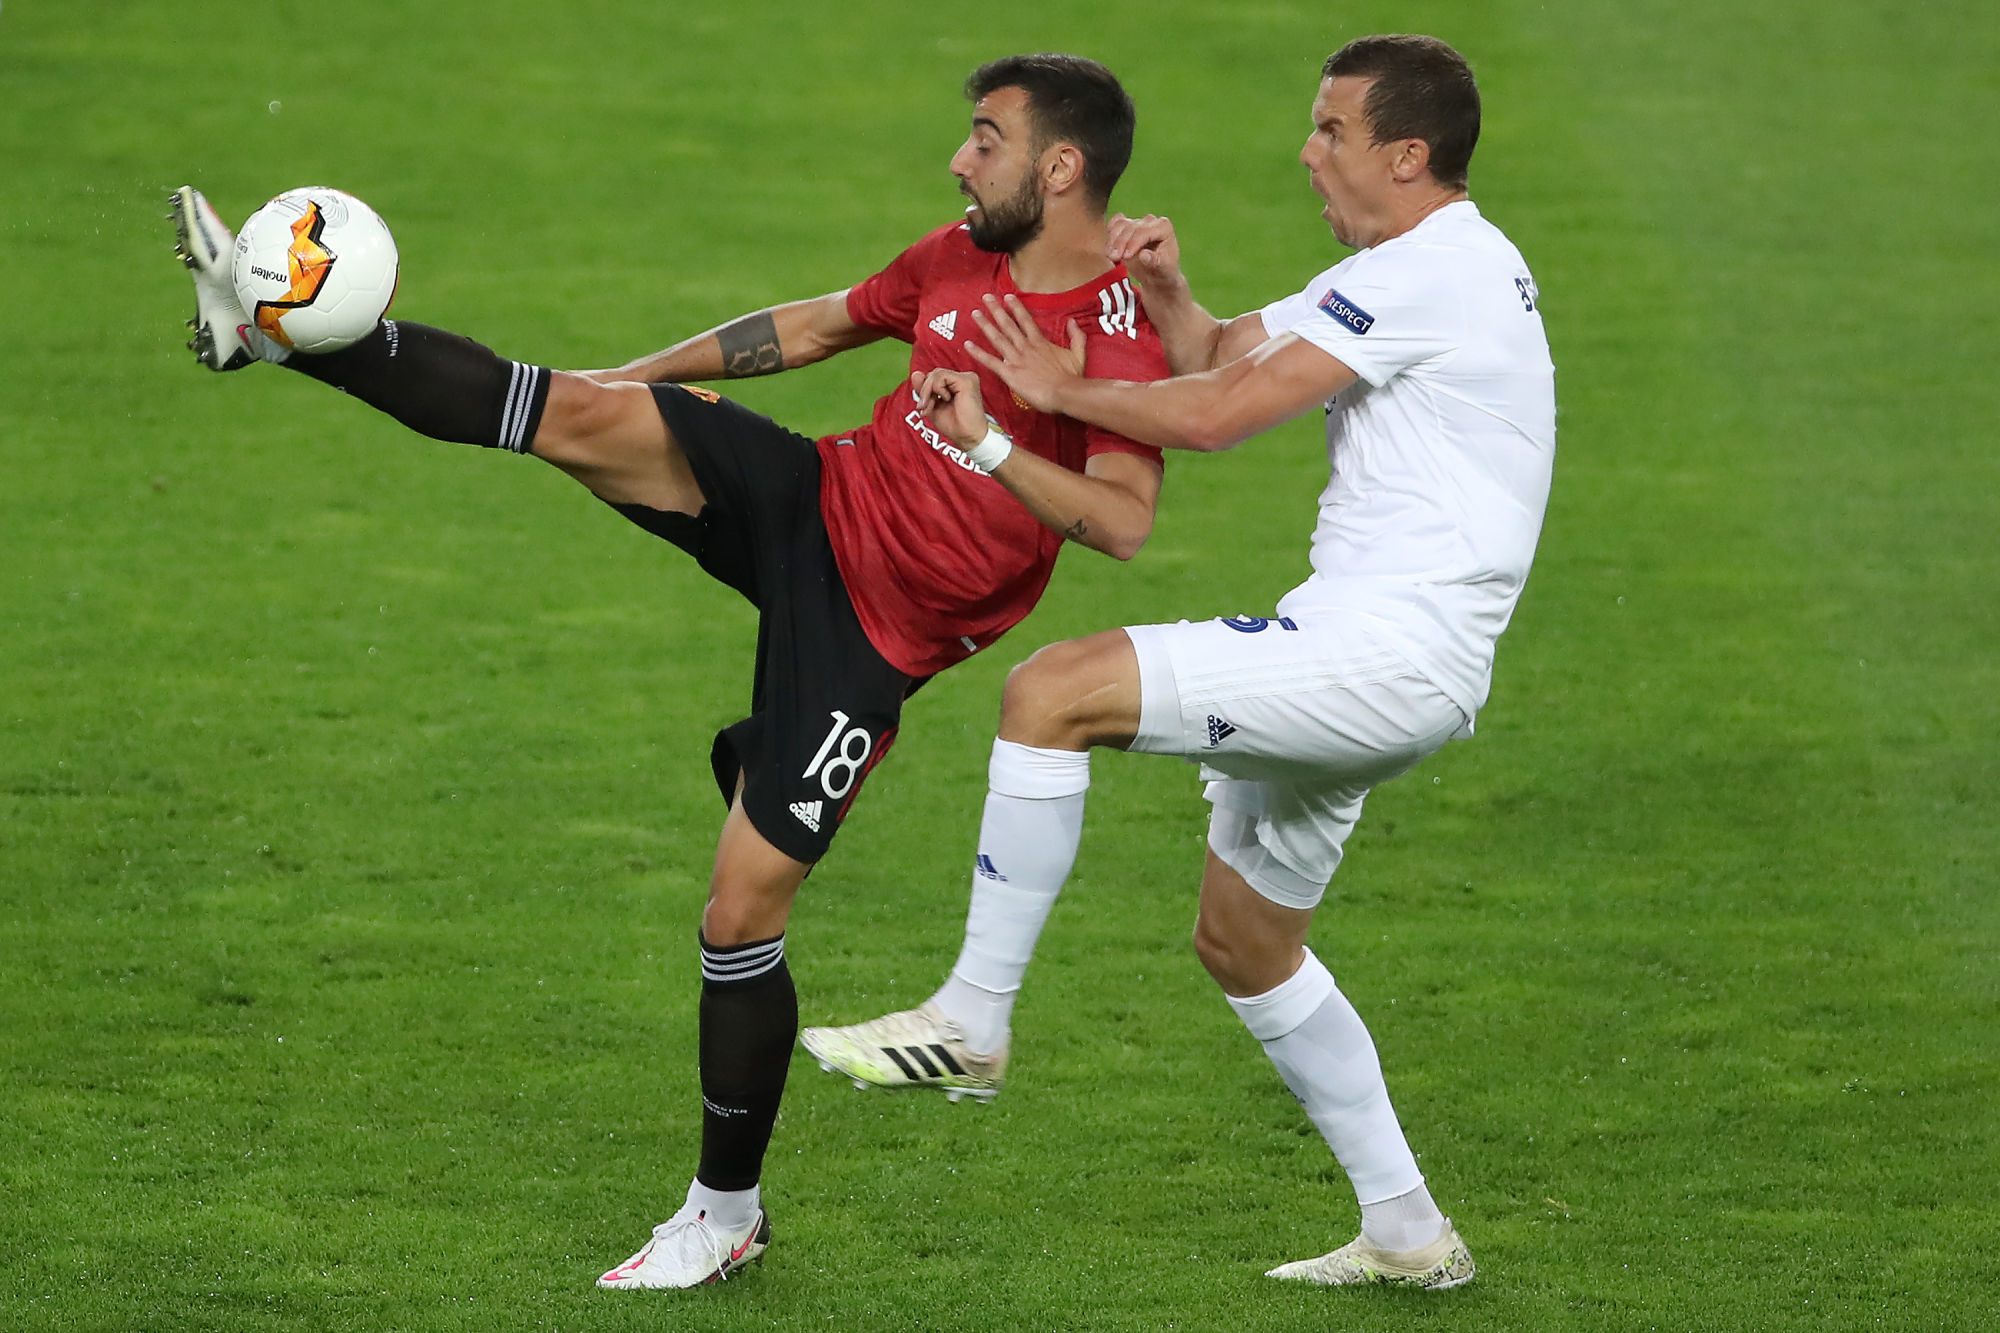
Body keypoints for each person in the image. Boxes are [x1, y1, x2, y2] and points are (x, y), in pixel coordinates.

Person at [169, 53, 1171, 1289]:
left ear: (1059, 167)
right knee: (560, 412)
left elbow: (1121, 524)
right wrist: (625, 387)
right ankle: (267, 329)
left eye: (985, 138)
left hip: (874, 636)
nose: (959, 160)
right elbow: (811, 327)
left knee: (739, 910)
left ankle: (724, 1212)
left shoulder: (1114, 339)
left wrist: (991, 439)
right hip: (813, 498)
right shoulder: (957, 254)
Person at [802, 34, 1554, 1290]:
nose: (1306, 152)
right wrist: (1165, 297)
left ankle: (971, 1020)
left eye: (1330, 131)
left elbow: (1208, 419)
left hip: (1383, 649)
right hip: (1382, 651)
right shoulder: (1404, 264)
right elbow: (1214, 354)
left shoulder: (1440, 274)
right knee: (1245, 941)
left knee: (1051, 691)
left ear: (1406, 155)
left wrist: (1053, 387)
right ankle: (1408, 1233)